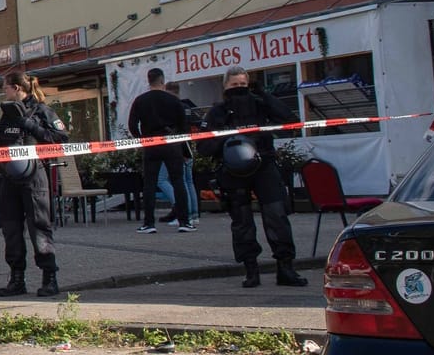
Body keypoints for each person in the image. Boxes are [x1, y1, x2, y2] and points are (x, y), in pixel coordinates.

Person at [199, 70, 308, 288]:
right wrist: (227, 138)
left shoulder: (260, 104)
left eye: (243, 83)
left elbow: (289, 120)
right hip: (232, 170)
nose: (240, 87)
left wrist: (264, 95)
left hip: (264, 164)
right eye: (234, 84)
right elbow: (203, 147)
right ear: (225, 87)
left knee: (277, 216)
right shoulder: (217, 112)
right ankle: (251, 270)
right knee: (242, 222)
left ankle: (285, 268)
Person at [0, 71, 69, 297]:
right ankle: (17, 279)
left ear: (16, 87)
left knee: (39, 226)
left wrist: (29, 125)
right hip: (10, 177)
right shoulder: (7, 113)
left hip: (34, 176)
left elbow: (61, 138)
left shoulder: (42, 110)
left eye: (5, 88)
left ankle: (49, 277)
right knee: (10, 228)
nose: (3, 92)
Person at [127, 67, 193, 234]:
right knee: (178, 182)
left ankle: (149, 223)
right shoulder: (173, 100)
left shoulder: (140, 100)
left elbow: (132, 125)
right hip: (172, 143)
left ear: (148, 81)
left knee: (149, 184)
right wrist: (183, 147)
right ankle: (184, 221)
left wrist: (142, 138)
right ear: (162, 81)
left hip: (151, 144)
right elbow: (184, 125)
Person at [151, 82, 201, 228]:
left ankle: (180, 210)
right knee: (188, 181)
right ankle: (193, 215)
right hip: (187, 147)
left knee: (163, 179)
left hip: (174, 148)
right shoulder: (186, 107)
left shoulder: (171, 107)